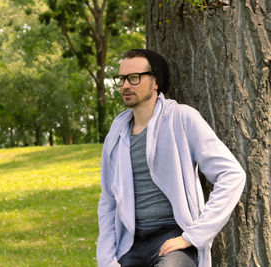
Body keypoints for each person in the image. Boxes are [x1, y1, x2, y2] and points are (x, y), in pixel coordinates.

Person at [96, 49, 246, 267]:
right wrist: (106, 259)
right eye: (121, 79)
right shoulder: (116, 133)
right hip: (129, 243)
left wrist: (192, 236)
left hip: (172, 237)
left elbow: (232, 174)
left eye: (134, 78)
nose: (125, 85)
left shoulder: (182, 118)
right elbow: (109, 200)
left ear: (155, 81)